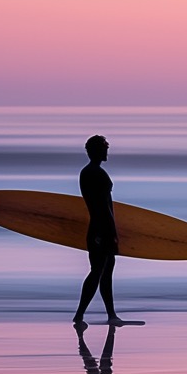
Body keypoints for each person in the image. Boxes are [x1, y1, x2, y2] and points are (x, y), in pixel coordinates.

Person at [72, 134, 141, 329]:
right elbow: (103, 207)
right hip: (101, 229)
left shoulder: (87, 172)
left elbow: (104, 206)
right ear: (95, 151)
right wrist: (111, 233)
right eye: (104, 148)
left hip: (98, 228)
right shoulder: (95, 173)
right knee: (97, 271)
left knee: (105, 271)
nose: (106, 151)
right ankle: (79, 315)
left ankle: (111, 314)